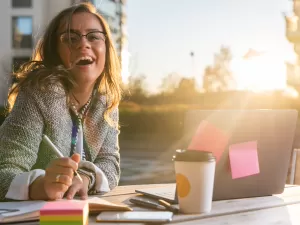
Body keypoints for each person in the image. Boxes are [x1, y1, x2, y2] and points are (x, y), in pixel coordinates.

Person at [0, 2, 122, 201]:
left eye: (94, 36)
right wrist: (41, 186)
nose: (83, 44)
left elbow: (110, 163)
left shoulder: (107, 101)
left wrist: (86, 178)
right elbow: (4, 173)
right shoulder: (37, 93)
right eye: (70, 38)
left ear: (106, 47)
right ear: (55, 52)